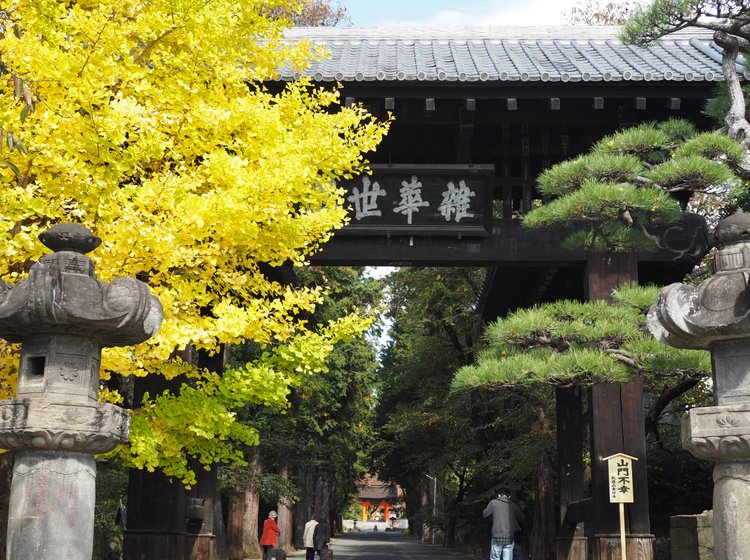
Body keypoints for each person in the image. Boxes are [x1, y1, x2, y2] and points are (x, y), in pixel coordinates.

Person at [482, 489, 525, 560]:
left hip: (497, 535)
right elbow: (522, 518)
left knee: (495, 558)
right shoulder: (513, 505)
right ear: (509, 496)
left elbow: (484, 514)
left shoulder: (493, 503)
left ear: (498, 495)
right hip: (509, 536)